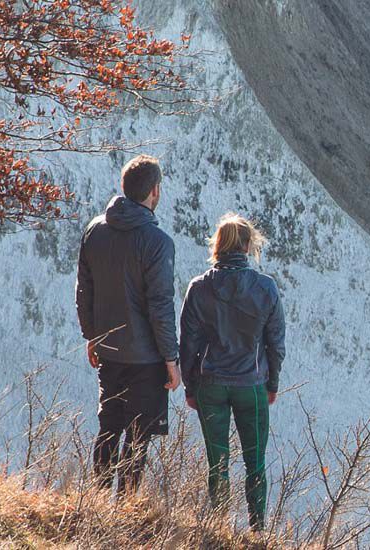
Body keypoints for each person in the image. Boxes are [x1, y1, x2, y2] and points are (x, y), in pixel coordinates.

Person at [75, 154, 181, 500]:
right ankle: (127, 507)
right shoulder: (157, 242)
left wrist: (91, 335)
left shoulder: (95, 230)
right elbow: (160, 305)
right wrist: (171, 357)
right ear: (154, 191)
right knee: (139, 436)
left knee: (108, 428)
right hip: (146, 357)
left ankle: (98, 501)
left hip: (109, 349)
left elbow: (84, 288)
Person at [179, 212, 284, 532]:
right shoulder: (266, 288)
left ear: (218, 246)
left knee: (218, 464)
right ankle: (258, 530)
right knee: (256, 464)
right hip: (251, 385)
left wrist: (190, 387)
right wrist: (272, 383)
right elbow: (275, 344)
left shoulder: (199, 287)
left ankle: (221, 528)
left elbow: (188, 343)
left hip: (211, 385)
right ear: (249, 246)